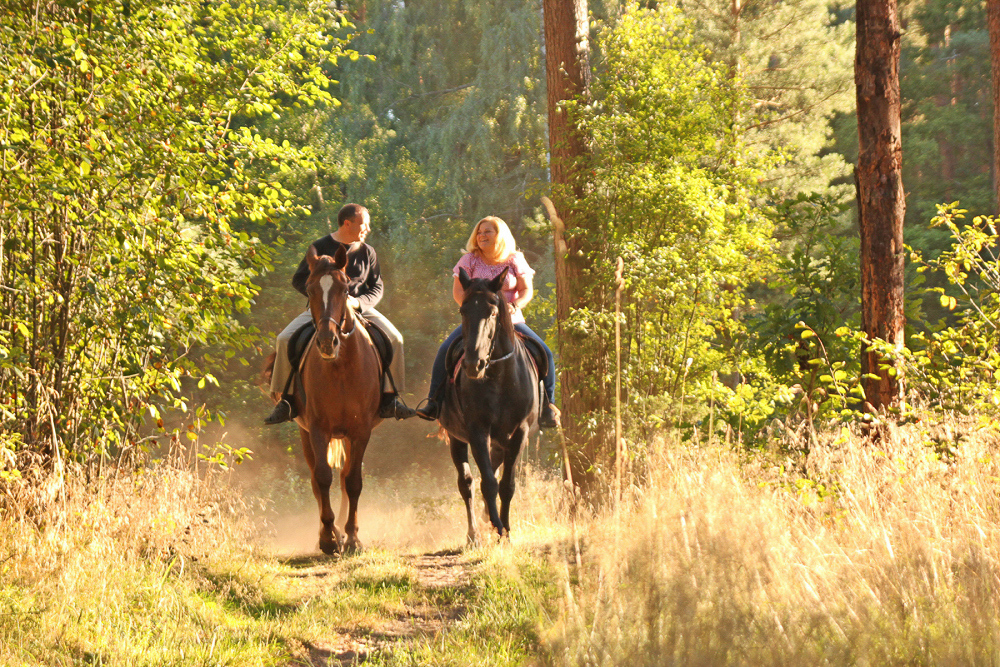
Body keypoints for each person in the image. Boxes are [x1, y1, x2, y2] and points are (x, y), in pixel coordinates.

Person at [265, 203, 416, 424]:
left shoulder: (368, 252)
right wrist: (320, 299)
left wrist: (359, 303)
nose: (368, 230)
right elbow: (299, 280)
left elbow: (377, 287)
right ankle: (286, 401)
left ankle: (390, 398)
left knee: (396, 339)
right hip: (324, 310)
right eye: (364, 225)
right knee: (284, 339)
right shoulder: (318, 247)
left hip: (359, 308)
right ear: (348, 223)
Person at [415, 216, 559, 428]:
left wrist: (515, 305)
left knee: (543, 351)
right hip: (477, 322)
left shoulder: (515, 259)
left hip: (511, 320)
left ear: (499, 235)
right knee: (445, 349)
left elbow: (527, 290)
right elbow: (458, 292)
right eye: (479, 232)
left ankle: (548, 407)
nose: (482, 236)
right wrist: (475, 309)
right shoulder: (468, 261)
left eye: (488, 231)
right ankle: (434, 402)